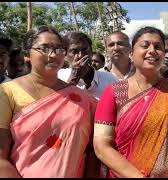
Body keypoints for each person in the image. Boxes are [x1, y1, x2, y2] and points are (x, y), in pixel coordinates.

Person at [93, 26, 168, 178]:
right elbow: (101, 145)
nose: (152, 50)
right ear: (131, 54)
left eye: (158, 47)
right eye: (145, 45)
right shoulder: (113, 92)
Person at [0, 26, 98, 177]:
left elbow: (92, 151)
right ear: (27, 55)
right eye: (44, 48)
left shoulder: (84, 99)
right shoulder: (7, 92)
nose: (53, 55)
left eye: (59, 49)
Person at [58, 32, 117, 99]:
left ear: (91, 53)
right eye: (74, 52)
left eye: (85, 50)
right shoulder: (58, 77)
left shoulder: (110, 79)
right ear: (65, 56)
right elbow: (58, 105)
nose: (80, 55)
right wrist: (74, 78)